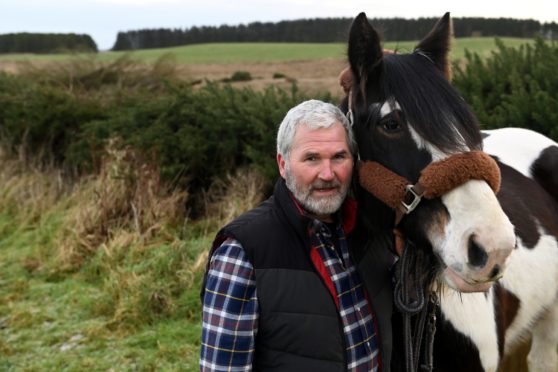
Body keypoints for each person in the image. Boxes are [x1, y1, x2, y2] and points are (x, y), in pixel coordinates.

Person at [200, 99, 394, 371]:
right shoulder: (243, 250)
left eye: (339, 157)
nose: (327, 174)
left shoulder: (371, 232)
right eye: (311, 158)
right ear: (283, 164)